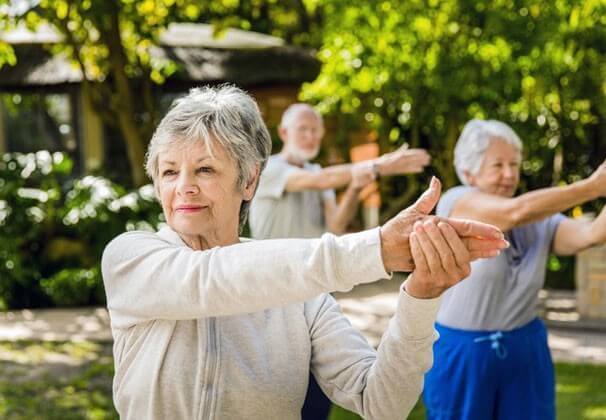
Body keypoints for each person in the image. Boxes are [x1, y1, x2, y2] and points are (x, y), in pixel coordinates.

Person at [101, 86, 508, 420]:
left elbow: (380, 403)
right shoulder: (130, 257)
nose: (183, 186)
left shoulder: (305, 301)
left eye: (205, 170)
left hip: (304, 271)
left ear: (248, 181)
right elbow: (210, 280)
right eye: (170, 171)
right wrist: (378, 248)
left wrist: (420, 296)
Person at [248, 103, 431, 418]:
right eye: (303, 129)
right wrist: (378, 166)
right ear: (283, 133)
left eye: (315, 130)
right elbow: (317, 182)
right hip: (270, 294)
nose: (310, 136)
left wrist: (356, 187)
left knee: (317, 389)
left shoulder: (320, 173)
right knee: (273, 385)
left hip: (313, 293)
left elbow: (334, 225)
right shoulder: (268, 169)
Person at [422, 119, 606, 420]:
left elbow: (592, 235)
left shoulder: (541, 218)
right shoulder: (456, 203)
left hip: (525, 347)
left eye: (515, 164)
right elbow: (514, 212)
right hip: (462, 352)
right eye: (498, 165)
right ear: (470, 172)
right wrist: (592, 186)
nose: (509, 174)